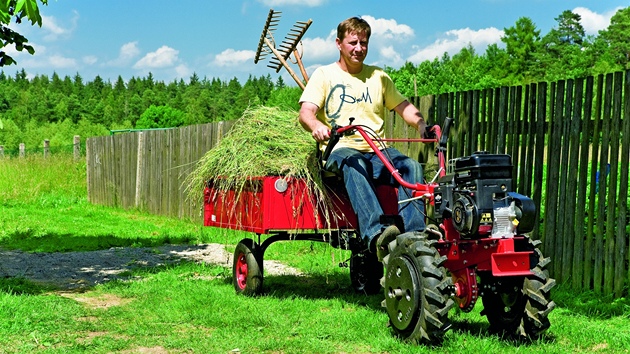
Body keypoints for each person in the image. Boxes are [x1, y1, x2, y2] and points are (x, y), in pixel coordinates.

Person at [298, 16, 430, 259]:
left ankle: (415, 236)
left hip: (376, 151)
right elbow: (306, 112)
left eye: (364, 43)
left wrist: (421, 124)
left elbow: (404, 107)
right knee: (354, 162)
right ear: (339, 44)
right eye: (353, 42)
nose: (359, 48)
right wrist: (316, 126)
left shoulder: (378, 77)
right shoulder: (324, 75)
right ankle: (376, 234)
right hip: (340, 150)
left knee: (410, 166)